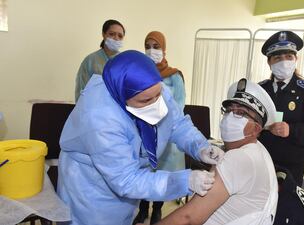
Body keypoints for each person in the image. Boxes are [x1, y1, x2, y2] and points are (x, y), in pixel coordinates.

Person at [57, 50, 225, 225]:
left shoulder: (152, 87)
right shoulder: (100, 118)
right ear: (122, 97)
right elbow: (126, 180)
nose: (155, 105)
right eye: (145, 102)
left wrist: (200, 147)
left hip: (128, 181)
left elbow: (177, 124)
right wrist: (185, 180)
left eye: (158, 96)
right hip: (92, 191)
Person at [152, 78, 279, 225]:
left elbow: (188, 217)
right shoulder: (260, 150)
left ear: (256, 129)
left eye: (240, 113)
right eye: (229, 110)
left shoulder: (239, 158)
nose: (230, 116)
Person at [258, 30, 304, 185]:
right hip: (260, 159)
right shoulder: (260, 90)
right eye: (277, 58)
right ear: (269, 62)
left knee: (285, 207)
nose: (284, 62)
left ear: (296, 59)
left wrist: (291, 130)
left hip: (291, 166)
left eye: (289, 57)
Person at [133, 31, 186, 225]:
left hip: (166, 135)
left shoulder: (174, 77)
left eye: (156, 46)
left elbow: (179, 106)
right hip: (142, 132)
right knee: (143, 172)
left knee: (161, 174)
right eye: (148, 46)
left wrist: (159, 121)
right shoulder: (139, 72)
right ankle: (142, 208)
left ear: (164, 49)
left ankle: (157, 209)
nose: (151, 50)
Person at [74, 19, 125, 102]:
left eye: (120, 36)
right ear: (103, 34)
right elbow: (81, 91)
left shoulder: (125, 62)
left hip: (118, 112)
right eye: (112, 34)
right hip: (93, 110)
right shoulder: (90, 61)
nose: (116, 38)